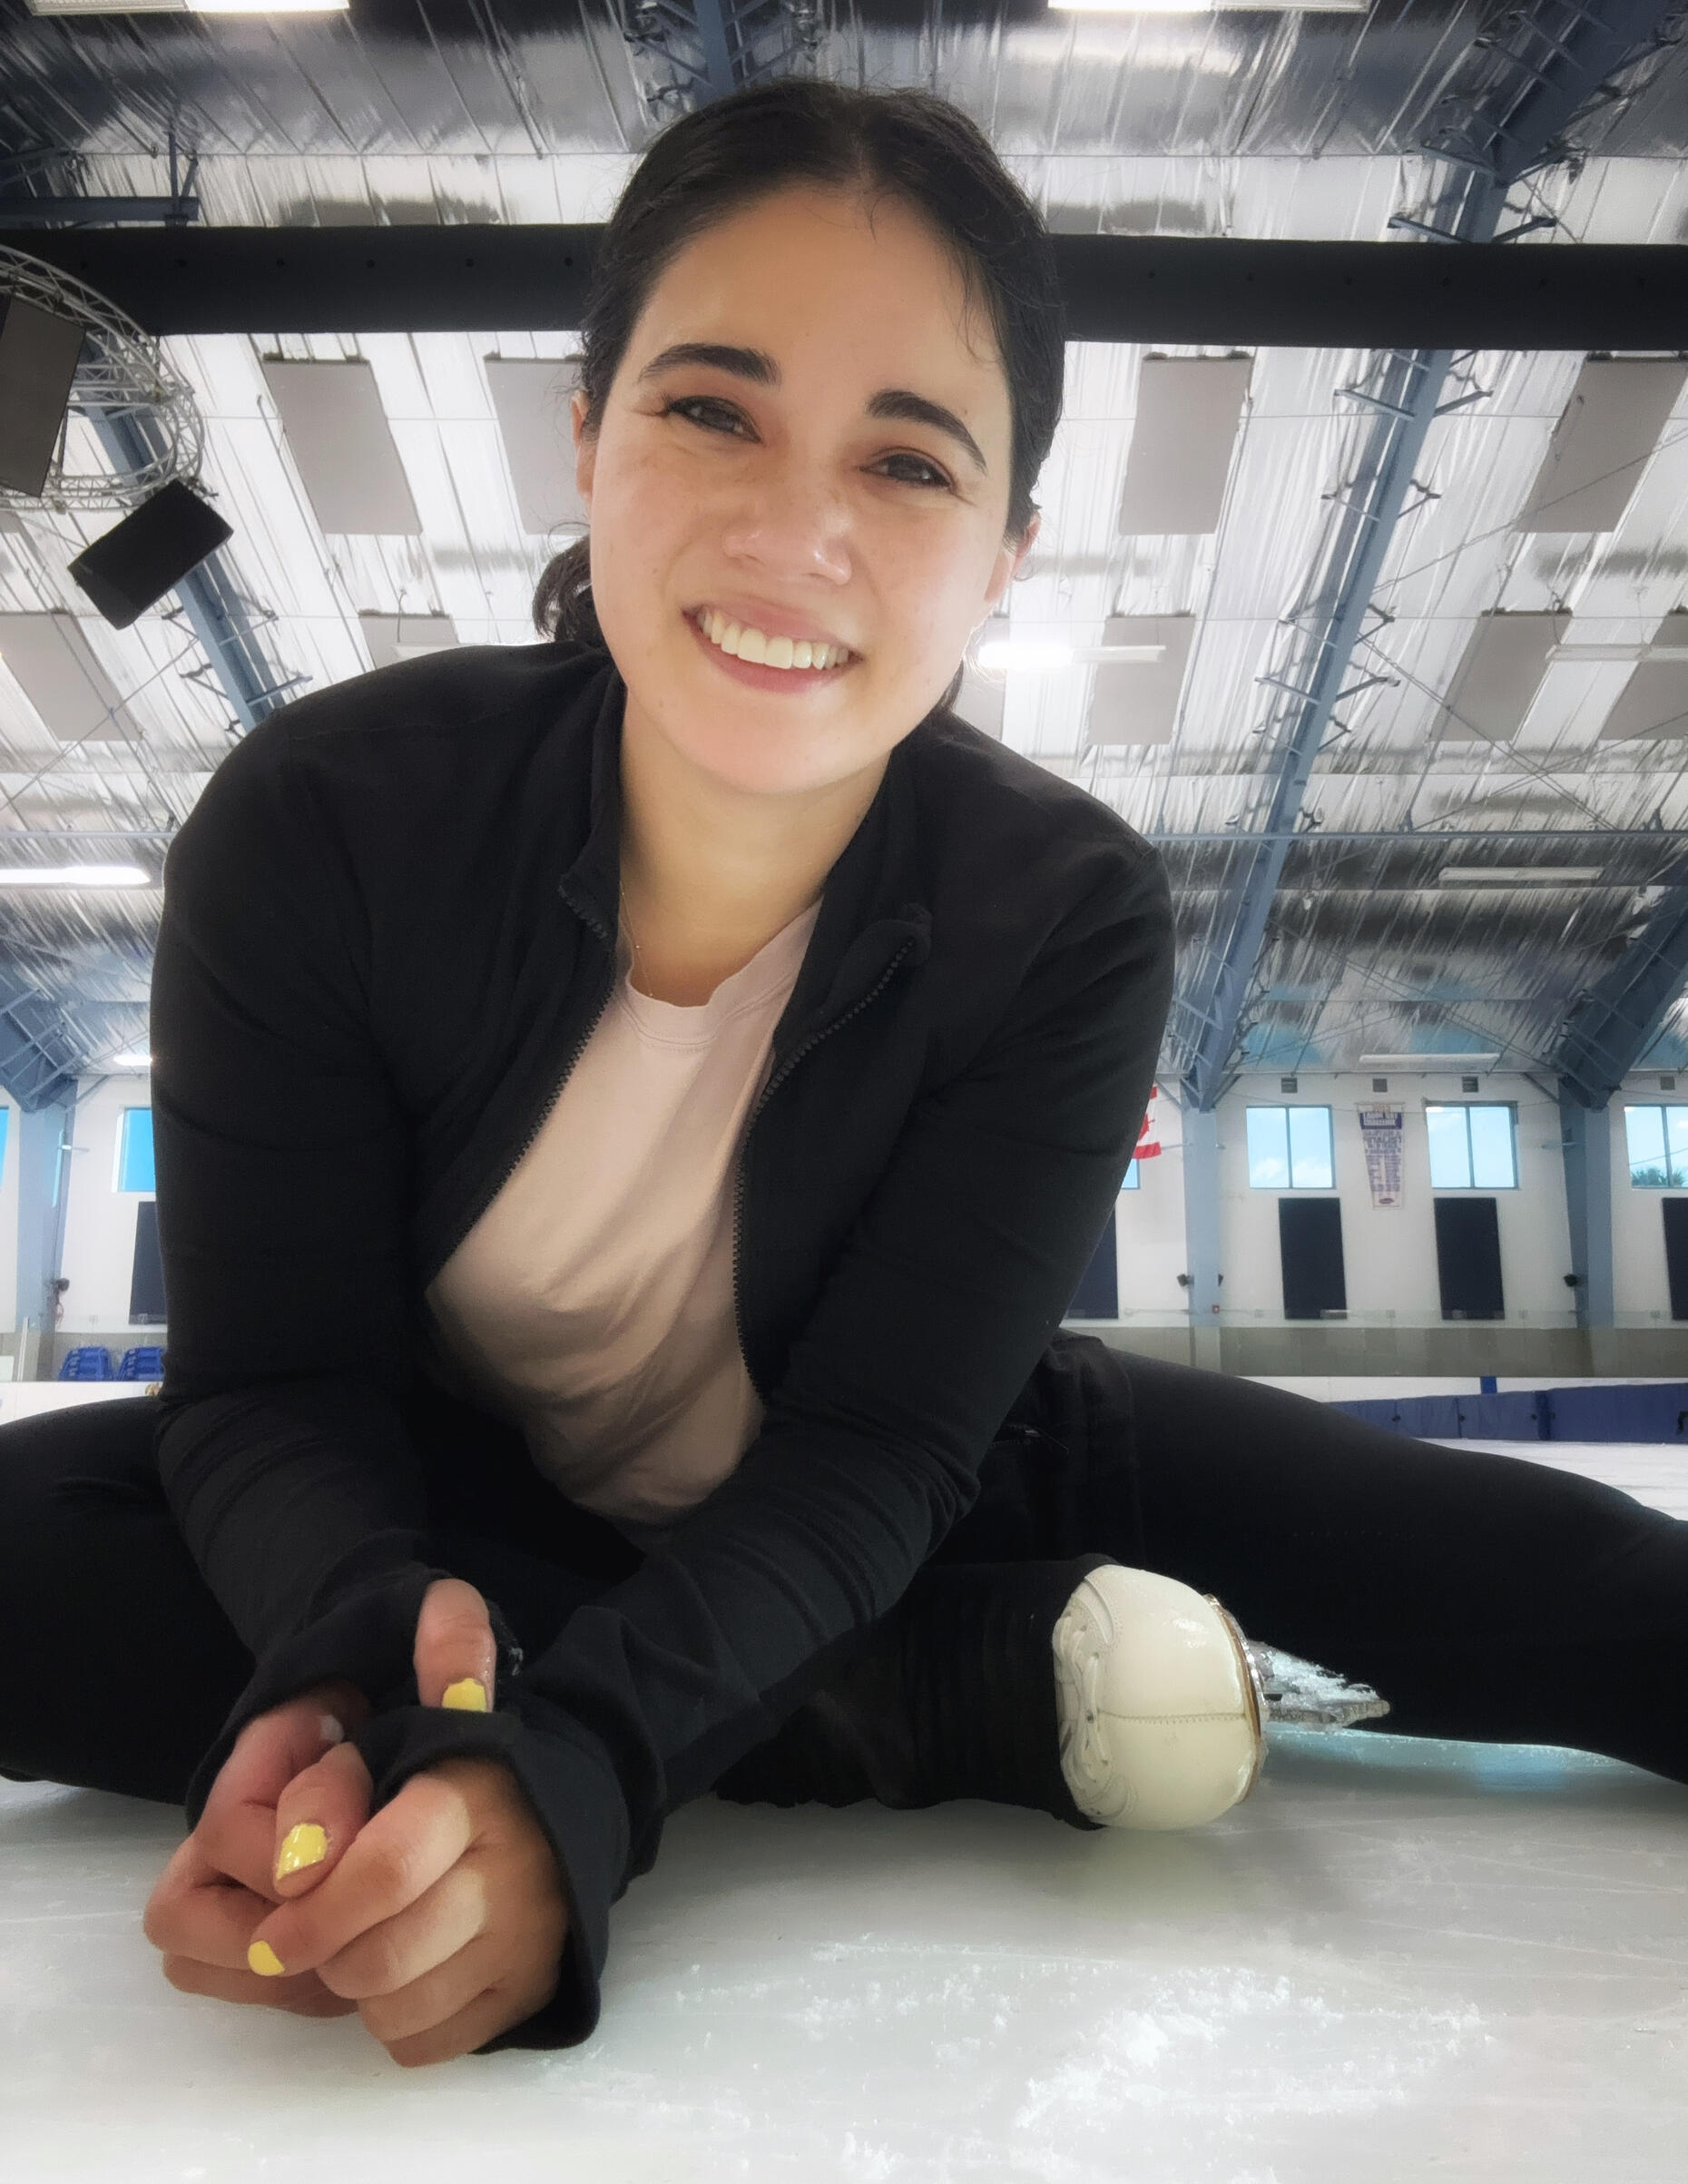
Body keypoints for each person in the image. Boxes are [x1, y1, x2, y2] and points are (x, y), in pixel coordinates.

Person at [3, 77, 1685, 2071]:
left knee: (1585, 1592)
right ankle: (895, 1698)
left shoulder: (1061, 913)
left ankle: (817, 1662)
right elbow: (277, 1385)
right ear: (588, 440)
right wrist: (370, 1647)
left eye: (906, 462)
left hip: (929, 1475)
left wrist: (577, 1759)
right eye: (711, 411)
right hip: (452, 1489)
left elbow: (879, 1446)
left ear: (1006, 551)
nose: (796, 535)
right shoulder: (327, 825)